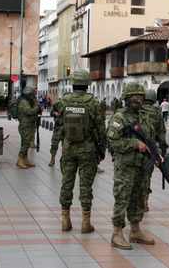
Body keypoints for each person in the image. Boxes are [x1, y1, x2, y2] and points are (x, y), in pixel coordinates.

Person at [107, 83, 154, 250]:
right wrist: (134, 143)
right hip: (126, 166)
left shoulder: (145, 117)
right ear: (126, 99)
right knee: (122, 198)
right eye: (134, 98)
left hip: (142, 165)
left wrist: (156, 154)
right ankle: (117, 233)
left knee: (139, 197)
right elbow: (113, 141)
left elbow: (149, 139)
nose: (138, 100)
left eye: (140, 97)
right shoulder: (119, 118)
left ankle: (135, 230)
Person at [59, 70, 106, 234]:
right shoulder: (93, 102)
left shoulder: (64, 100)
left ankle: (65, 219)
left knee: (67, 182)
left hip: (68, 147)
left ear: (73, 83)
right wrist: (102, 150)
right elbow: (101, 128)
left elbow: (59, 124)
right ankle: (86, 222)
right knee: (86, 186)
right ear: (87, 84)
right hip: (87, 148)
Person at [141, 89, 168, 211]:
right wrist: (163, 149)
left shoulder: (137, 109)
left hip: (136, 147)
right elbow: (161, 133)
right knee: (147, 175)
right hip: (151, 149)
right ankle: (145, 201)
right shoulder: (157, 112)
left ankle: (136, 200)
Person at [17, 86, 41, 169]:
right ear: (28, 94)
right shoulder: (23, 102)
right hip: (25, 126)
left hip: (29, 125)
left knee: (26, 143)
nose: (33, 96)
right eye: (32, 95)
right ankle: (20, 160)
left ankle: (25, 159)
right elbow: (29, 112)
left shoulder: (28, 101)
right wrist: (37, 107)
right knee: (25, 143)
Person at [49, 99, 64, 166]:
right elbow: (51, 112)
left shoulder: (71, 104)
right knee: (54, 144)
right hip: (58, 127)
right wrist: (55, 113)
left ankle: (64, 160)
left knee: (65, 146)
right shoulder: (58, 103)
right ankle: (52, 158)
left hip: (66, 128)